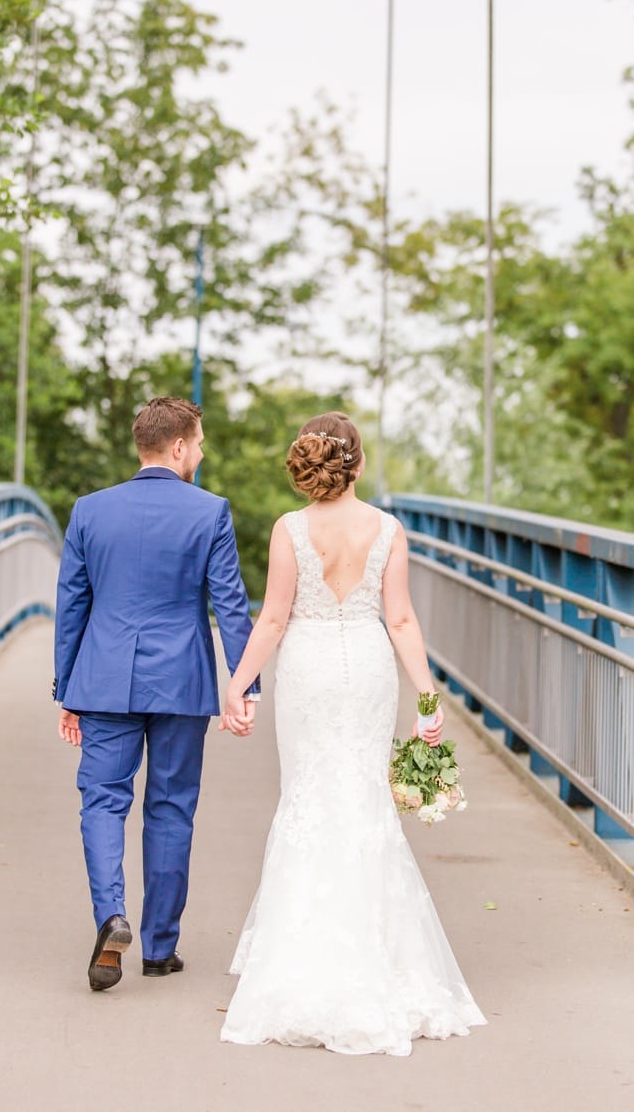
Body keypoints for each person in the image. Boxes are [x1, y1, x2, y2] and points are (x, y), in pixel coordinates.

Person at [218, 412, 487, 1055]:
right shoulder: (389, 530)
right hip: (367, 671)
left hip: (308, 672)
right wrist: (427, 694)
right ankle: (380, 963)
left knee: (307, 799)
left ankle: (301, 962)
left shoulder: (290, 529)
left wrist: (239, 682)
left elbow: (275, 617)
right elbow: (399, 617)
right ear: (358, 464)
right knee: (363, 801)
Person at [53, 396, 259, 992]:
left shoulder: (90, 511)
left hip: (105, 678)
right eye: (197, 444)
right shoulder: (210, 512)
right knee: (171, 807)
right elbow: (230, 602)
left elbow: (72, 606)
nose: (200, 453)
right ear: (177, 447)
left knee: (103, 801)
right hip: (182, 683)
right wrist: (243, 685)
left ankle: (111, 917)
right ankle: (160, 947)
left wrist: (67, 689)